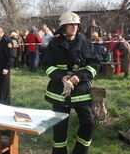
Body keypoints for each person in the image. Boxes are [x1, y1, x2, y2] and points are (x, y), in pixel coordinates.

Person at [42, 11, 100, 154]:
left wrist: (78, 77)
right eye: (70, 24)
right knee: (60, 127)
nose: (74, 27)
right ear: (63, 27)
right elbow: (47, 65)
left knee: (89, 123)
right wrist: (62, 78)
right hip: (59, 91)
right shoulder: (54, 44)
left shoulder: (85, 42)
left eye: (76, 24)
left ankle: (79, 151)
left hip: (81, 90)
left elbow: (95, 64)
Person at [0, 26, 15, 105]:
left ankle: (6, 103)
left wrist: (7, 67)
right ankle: (0, 102)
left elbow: (11, 56)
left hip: (4, 68)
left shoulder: (7, 41)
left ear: (2, 32)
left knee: (4, 87)